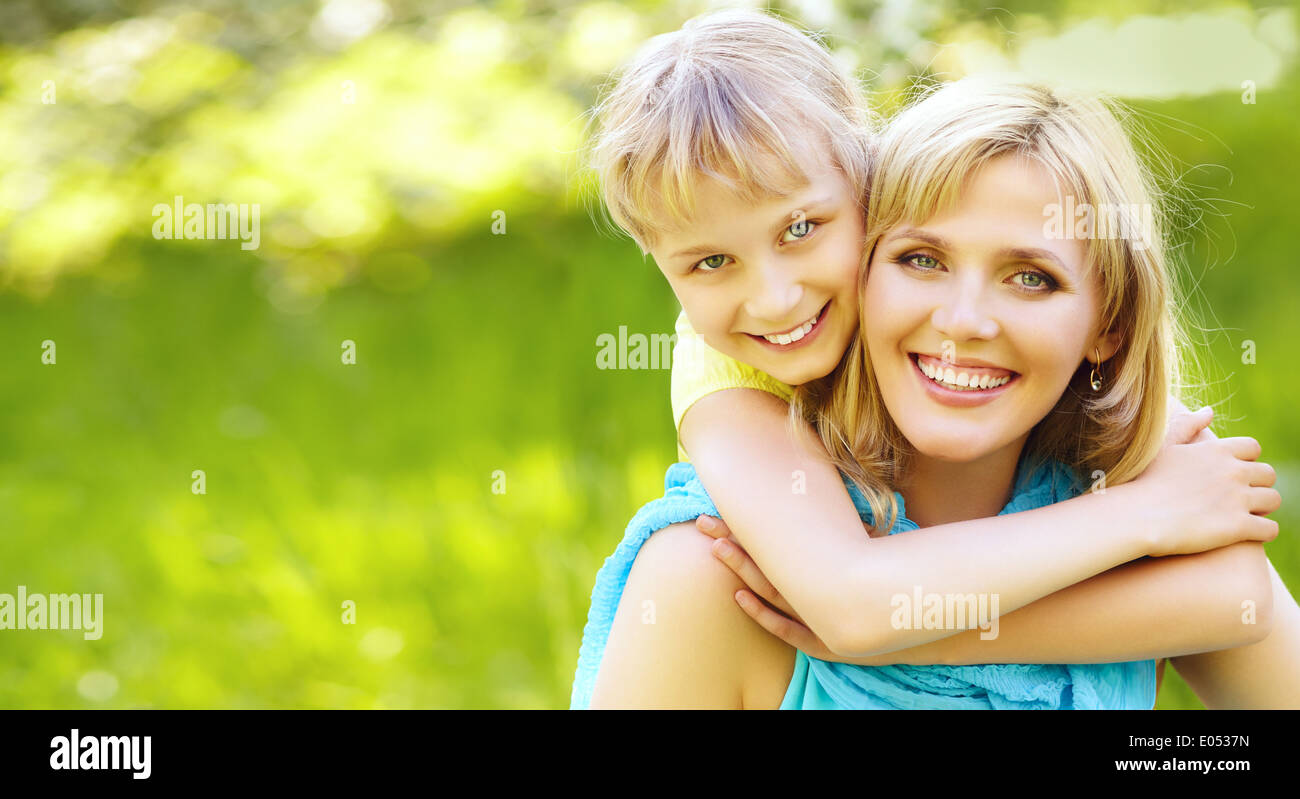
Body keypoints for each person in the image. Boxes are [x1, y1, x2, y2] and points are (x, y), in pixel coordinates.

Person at [571, 10, 1285, 709]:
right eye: (923, 259)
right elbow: (853, 605)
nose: (776, 297)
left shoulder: (1130, 482)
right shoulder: (720, 549)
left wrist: (929, 634)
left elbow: (1239, 597)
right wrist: (1143, 516)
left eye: (1031, 276)